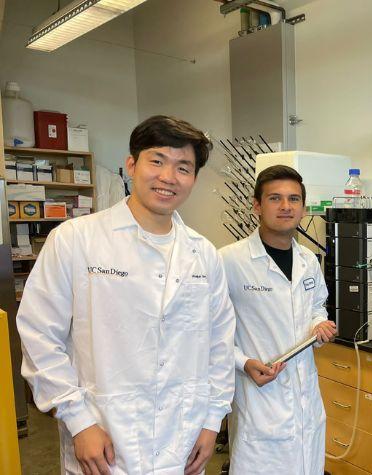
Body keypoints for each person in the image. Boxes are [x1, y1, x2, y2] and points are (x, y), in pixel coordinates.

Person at [17, 115, 236, 475]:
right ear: (131, 164)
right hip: (103, 439)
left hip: (182, 439)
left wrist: (212, 420)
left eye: (183, 167)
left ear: (194, 178)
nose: (168, 177)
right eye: (157, 161)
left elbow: (219, 343)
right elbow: (39, 334)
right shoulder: (76, 240)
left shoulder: (204, 253)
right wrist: (79, 421)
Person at [219, 165, 337, 474]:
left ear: (303, 207)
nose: (286, 207)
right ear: (257, 205)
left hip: (306, 403)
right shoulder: (228, 261)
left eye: (294, 199)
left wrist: (318, 325)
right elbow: (206, 332)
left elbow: (317, 307)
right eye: (275, 198)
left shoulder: (308, 260)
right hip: (259, 402)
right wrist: (242, 362)